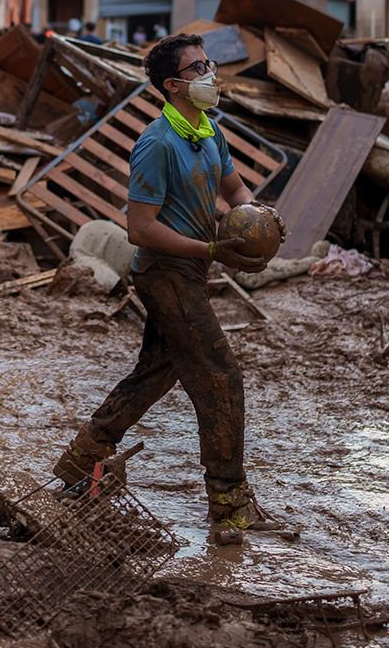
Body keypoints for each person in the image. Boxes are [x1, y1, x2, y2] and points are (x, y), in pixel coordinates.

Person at [51, 32, 289, 532]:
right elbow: (141, 228)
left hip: (190, 274)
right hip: (165, 274)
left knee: (157, 373)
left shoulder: (207, 130)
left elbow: (234, 186)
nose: (210, 75)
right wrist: (209, 249)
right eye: (198, 68)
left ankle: (82, 458)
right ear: (173, 86)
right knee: (221, 378)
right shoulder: (156, 143)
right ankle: (230, 505)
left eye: (209, 64)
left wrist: (256, 215)